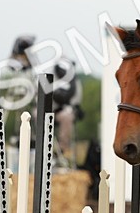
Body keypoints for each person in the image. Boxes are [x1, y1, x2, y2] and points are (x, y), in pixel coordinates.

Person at [8, 35, 84, 167]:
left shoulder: (73, 82)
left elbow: (75, 99)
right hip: (47, 109)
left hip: (63, 111)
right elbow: (39, 93)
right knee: (37, 114)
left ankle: (61, 150)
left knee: (67, 117)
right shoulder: (49, 76)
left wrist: (71, 107)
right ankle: (40, 145)